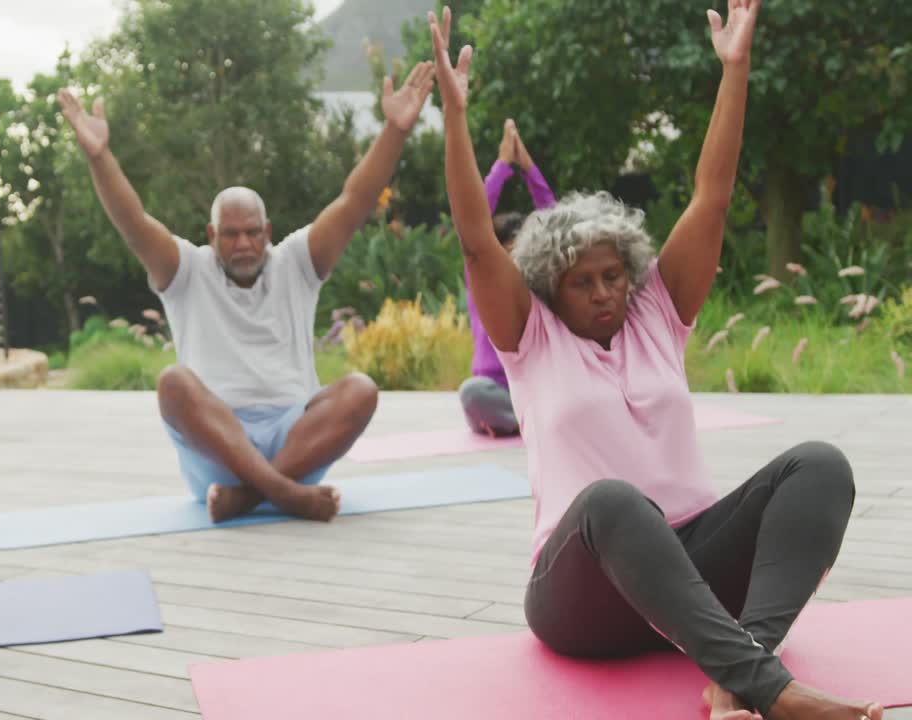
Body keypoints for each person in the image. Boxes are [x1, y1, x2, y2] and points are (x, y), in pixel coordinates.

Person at [430, 3, 883, 719]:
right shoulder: (531, 335)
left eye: (614, 275)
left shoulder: (656, 313)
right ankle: (773, 691)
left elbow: (713, 194)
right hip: (583, 596)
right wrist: (456, 118)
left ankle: (740, 674)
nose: (605, 292)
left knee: (819, 464)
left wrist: (734, 69)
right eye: (583, 281)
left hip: (692, 581)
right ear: (552, 286)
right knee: (613, 500)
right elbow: (477, 240)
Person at [59, 63, 436, 523]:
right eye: (231, 234)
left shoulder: (296, 261)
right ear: (211, 234)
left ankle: (249, 497)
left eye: (252, 233)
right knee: (173, 382)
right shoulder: (187, 270)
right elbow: (133, 223)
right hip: (217, 444)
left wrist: (396, 130)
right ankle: (281, 492)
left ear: (268, 231)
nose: (243, 244)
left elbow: (355, 201)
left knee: (360, 389)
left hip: (298, 441)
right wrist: (100, 156)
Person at [459, 119, 555, 436]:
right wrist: (502, 164)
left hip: (536, 388)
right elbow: (474, 218)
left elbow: (555, 224)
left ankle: (533, 419)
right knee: (473, 392)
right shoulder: (480, 278)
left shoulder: (537, 280)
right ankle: (528, 422)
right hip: (497, 392)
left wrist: (528, 166)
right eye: (505, 250)